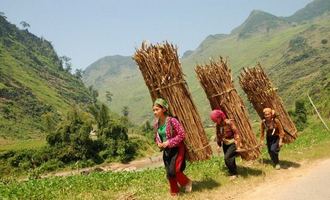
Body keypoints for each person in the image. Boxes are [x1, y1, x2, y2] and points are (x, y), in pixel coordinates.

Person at [153, 98, 192, 196]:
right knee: (169, 172)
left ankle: (187, 182)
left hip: (177, 149)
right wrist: (159, 143)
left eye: (157, 109)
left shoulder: (172, 121)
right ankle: (174, 192)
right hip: (166, 150)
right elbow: (157, 137)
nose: (155, 112)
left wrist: (169, 142)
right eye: (153, 110)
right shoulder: (156, 124)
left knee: (175, 170)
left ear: (164, 109)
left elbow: (182, 134)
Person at [210, 109, 242, 179]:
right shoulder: (218, 126)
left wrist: (238, 144)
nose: (215, 121)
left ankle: (234, 174)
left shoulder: (229, 122)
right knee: (230, 159)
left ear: (220, 117)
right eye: (214, 120)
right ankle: (233, 172)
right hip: (225, 144)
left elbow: (236, 132)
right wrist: (219, 145)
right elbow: (218, 135)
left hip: (233, 143)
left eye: (216, 119)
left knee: (227, 158)